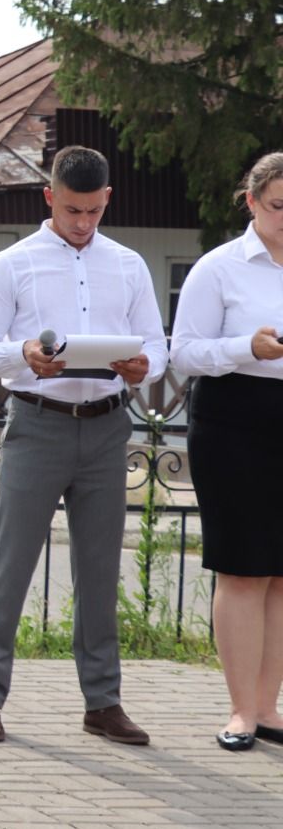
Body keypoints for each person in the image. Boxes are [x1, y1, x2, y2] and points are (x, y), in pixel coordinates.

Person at [0, 145, 167, 744]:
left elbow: (157, 346)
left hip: (107, 427)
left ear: (108, 201)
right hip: (37, 423)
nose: (83, 223)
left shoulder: (129, 266)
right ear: (49, 197)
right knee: (11, 564)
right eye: (73, 210)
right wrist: (20, 355)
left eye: (94, 212)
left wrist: (141, 367)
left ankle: (102, 703)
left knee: (101, 571)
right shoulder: (12, 264)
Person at [170, 151, 283, 752]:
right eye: (278, 206)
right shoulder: (218, 268)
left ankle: (269, 707)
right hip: (233, 420)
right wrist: (246, 347)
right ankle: (241, 710)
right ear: (251, 202)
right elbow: (184, 353)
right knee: (244, 569)